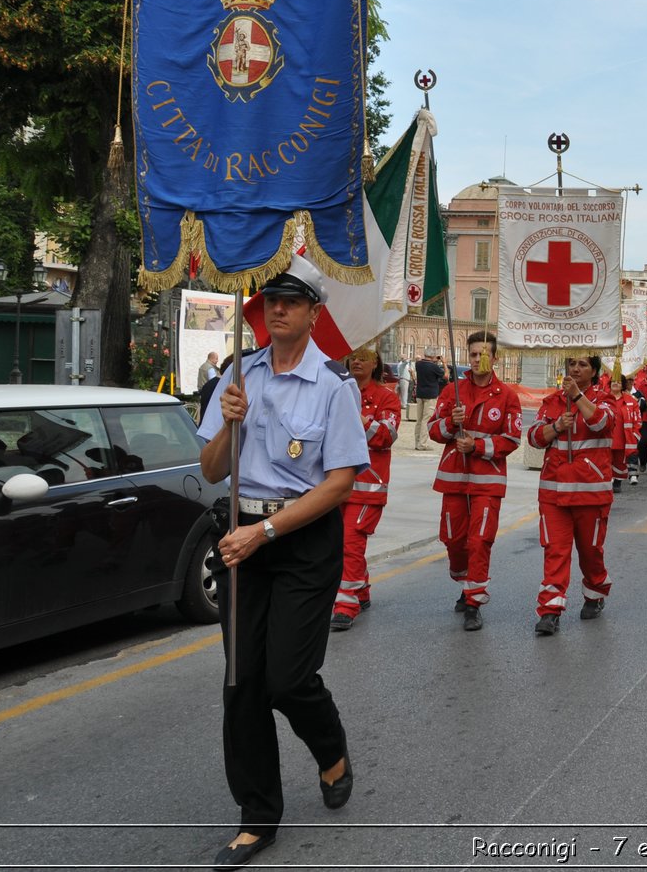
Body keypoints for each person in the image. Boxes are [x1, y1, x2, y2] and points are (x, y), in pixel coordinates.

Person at [196, 272, 368, 871]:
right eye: (271, 301)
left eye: (292, 302)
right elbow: (213, 467)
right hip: (244, 539)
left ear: (314, 312)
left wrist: (266, 530)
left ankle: (331, 748)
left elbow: (341, 481)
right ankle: (257, 817)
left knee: (287, 680)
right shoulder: (238, 374)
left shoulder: (332, 384)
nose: (278, 311)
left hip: (300, 541)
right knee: (241, 682)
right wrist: (228, 421)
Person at [429, 332, 523, 631]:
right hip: (454, 478)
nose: (477, 359)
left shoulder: (507, 396)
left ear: (495, 358)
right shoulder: (451, 391)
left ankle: (473, 601)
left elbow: (512, 438)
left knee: (480, 539)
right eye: (472, 354)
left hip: (487, 480)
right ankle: (464, 579)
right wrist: (449, 422)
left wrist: (479, 448)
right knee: (454, 539)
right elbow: (433, 430)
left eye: (484, 354)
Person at [527, 356, 616, 636]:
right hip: (553, 492)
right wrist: (555, 428)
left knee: (590, 552)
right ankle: (550, 610)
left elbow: (603, 424)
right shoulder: (552, 400)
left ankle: (595, 590)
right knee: (555, 550)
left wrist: (576, 397)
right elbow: (533, 437)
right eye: (572, 364)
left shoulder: (604, 398)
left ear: (594, 371)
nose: (575, 369)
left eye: (583, 365)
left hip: (591, 492)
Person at [330, 348, 401, 632]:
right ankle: (361, 589)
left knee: (350, 540)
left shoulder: (387, 398)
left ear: (375, 364)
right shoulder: (337, 393)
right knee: (338, 542)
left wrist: (360, 420)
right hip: (335, 485)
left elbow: (386, 437)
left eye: (363, 357)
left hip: (368, 486)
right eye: (353, 357)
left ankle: (346, 604)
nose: (357, 361)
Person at [608, 374, 642, 491]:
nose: (615, 383)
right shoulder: (603, 399)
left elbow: (638, 420)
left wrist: (635, 435)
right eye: (613, 381)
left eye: (618, 381)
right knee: (605, 460)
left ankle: (617, 481)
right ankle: (607, 481)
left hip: (623, 438)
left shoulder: (631, 400)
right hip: (607, 437)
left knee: (620, 462)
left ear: (623, 384)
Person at [413, 352, 446, 449]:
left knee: (419, 420)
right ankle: (422, 444)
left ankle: (417, 442)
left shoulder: (418, 364)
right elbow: (446, 376)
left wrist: (434, 360)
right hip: (430, 395)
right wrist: (444, 363)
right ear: (432, 356)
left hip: (420, 394)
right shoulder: (434, 367)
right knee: (426, 420)